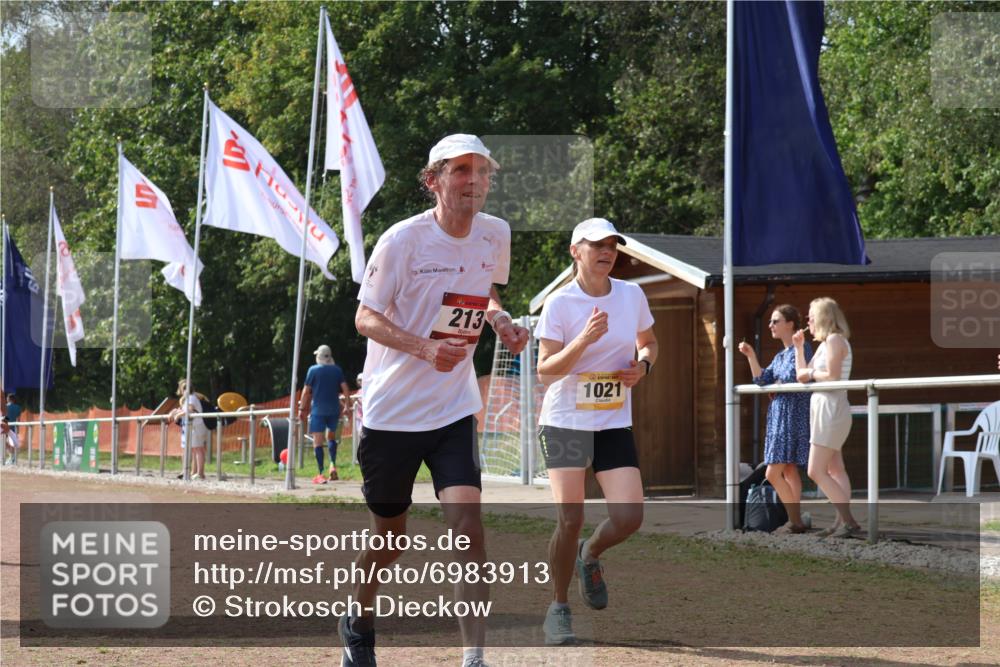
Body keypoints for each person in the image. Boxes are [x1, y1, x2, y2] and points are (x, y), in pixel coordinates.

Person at [346, 134, 529, 667]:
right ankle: (358, 620)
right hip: (392, 414)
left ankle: (473, 656)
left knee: (468, 526)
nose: (475, 181)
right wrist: (426, 348)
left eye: (483, 172)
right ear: (434, 181)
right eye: (462, 171)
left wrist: (498, 319)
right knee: (390, 538)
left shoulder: (495, 234)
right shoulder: (402, 241)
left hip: (452, 409)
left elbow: (484, 290)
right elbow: (365, 317)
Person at [534, 218, 658, 646]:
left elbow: (649, 341)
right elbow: (545, 370)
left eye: (612, 245)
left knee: (629, 517)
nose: (606, 252)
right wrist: (584, 340)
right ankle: (558, 608)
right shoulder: (560, 303)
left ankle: (592, 553)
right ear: (576, 251)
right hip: (566, 419)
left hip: (611, 419)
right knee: (570, 518)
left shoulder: (631, 294)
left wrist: (642, 365)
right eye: (596, 245)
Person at [738, 305, 813, 533]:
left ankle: (795, 521)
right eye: (770, 321)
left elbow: (797, 378)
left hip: (793, 415)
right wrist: (751, 355)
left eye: (775, 321)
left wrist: (779, 386)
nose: (771, 325)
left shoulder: (803, 348)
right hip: (780, 415)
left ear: (790, 324)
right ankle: (794, 520)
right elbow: (762, 380)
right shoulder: (780, 355)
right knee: (788, 470)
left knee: (773, 472)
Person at [793, 297, 860, 538]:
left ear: (823, 317)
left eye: (811, 316)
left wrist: (810, 372)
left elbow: (831, 376)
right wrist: (799, 348)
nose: (807, 321)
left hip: (831, 408)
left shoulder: (834, 340)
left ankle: (848, 521)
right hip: (823, 406)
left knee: (815, 470)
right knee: (835, 469)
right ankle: (839, 522)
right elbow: (801, 376)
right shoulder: (823, 344)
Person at [298, 344, 351, 484]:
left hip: (318, 410)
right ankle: (332, 465)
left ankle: (320, 473)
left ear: (318, 356)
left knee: (318, 442)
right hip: (334, 409)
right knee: (331, 437)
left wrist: (302, 409)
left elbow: (305, 391)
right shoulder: (337, 370)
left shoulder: (313, 370)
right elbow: (345, 388)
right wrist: (346, 405)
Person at [167, 379, 210, 480]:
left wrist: (178, 415)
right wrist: (175, 412)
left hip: (196, 426)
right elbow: (184, 409)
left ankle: (200, 473)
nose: (185, 390)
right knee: (195, 449)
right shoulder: (189, 398)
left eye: (186, 388)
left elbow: (189, 410)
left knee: (198, 449)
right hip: (192, 426)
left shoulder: (191, 398)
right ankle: (195, 472)